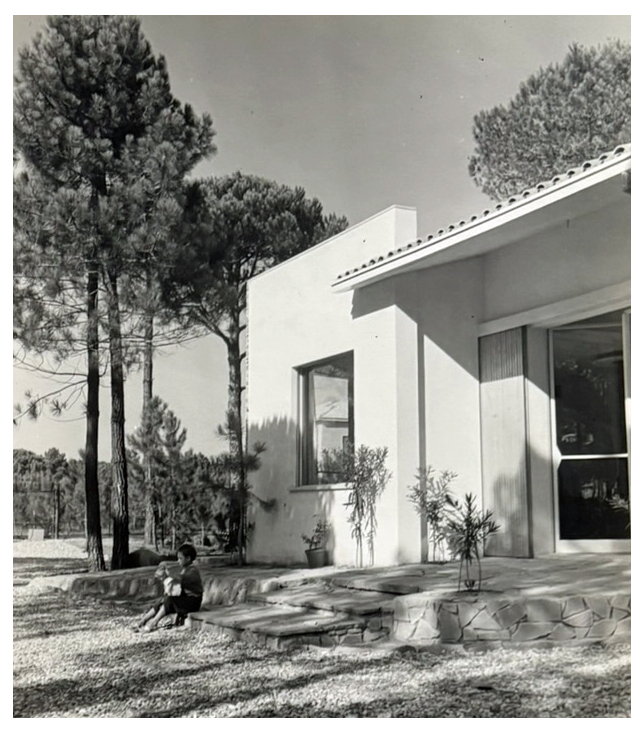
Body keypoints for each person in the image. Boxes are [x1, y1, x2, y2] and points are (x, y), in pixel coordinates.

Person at [133, 543, 203, 633]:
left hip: (193, 603)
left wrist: (166, 575)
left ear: (188, 558)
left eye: (180, 558)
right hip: (186, 600)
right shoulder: (186, 569)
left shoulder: (193, 570)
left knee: (169, 600)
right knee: (162, 600)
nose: (178, 561)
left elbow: (180, 579)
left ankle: (154, 622)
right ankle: (143, 620)